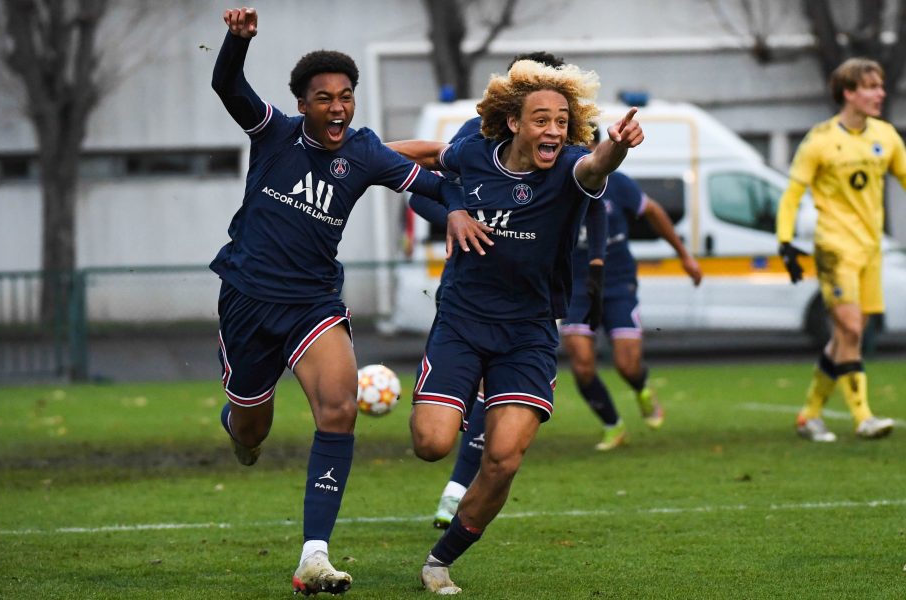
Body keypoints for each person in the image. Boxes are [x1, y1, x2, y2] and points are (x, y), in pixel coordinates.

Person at [208, 7, 489, 595]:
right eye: (324, 98)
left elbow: (433, 182)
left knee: (338, 411)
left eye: (345, 96)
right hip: (247, 299)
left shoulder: (362, 152)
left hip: (313, 303)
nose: (337, 106)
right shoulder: (273, 132)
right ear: (303, 104)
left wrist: (459, 203)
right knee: (252, 431)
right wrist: (236, 42)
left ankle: (315, 555)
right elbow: (226, 85)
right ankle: (238, 425)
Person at [389, 59, 643, 594]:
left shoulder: (572, 166)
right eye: (541, 119)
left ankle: (439, 561)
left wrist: (618, 143)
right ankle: (454, 399)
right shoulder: (476, 154)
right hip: (461, 321)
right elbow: (434, 158)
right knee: (431, 444)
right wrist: (350, 155)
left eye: (560, 121)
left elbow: (599, 164)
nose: (552, 130)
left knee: (503, 459)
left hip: (528, 333)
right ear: (514, 123)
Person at [405, 52, 569, 530]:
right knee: (464, 407)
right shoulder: (476, 139)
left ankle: (457, 493)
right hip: (471, 295)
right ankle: (455, 484)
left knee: (499, 404)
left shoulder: (569, 139)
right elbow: (427, 191)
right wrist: (464, 217)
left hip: (534, 292)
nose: (553, 124)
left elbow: (594, 191)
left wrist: (592, 263)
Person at [776, 57, 905, 442]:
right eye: (871, 86)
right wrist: (785, 242)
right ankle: (863, 416)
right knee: (849, 327)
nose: (880, 93)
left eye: (881, 85)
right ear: (848, 93)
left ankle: (809, 415)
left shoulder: (887, 137)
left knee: (848, 337)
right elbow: (791, 195)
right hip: (833, 247)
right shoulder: (819, 141)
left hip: (870, 249)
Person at [560, 129, 702, 451]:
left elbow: (653, 212)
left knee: (627, 365)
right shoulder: (559, 184)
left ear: (599, 146)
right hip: (576, 287)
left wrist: (685, 257)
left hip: (618, 281)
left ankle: (641, 387)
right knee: (582, 364)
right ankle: (613, 424)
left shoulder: (617, 183)